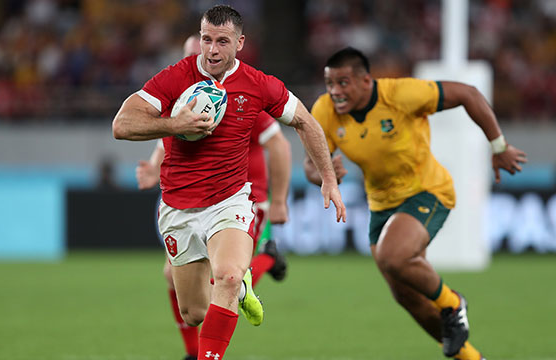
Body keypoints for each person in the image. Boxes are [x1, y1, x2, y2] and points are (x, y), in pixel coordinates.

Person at [114, 5, 345, 359]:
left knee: (228, 276)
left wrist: (328, 178)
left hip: (230, 201)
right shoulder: (176, 78)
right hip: (178, 206)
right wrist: (176, 125)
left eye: (222, 41)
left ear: (240, 43)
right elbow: (122, 125)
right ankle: (240, 288)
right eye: (207, 39)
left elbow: (305, 122)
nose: (212, 50)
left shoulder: (257, 84)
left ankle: (233, 295)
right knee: (194, 313)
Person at [304, 47, 527, 360]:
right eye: (330, 84)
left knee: (394, 256)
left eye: (343, 83)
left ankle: (453, 303)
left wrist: (498, 145)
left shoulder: (401, 94)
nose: (335, 92)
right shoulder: (325, 110)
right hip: (382, 206)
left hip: (426, 190)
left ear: (366, 81)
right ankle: (473, 359)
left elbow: (469, 94)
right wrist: (325, 175)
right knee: (408, 297)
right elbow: (311, 164)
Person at [136, 34, 292, 360]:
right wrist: (153, 167)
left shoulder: (240, 96)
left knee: (228, 277)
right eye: (197, 51)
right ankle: (259, 269)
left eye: (215, 46)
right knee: (186, 291)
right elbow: (167, 140)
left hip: (242, 195)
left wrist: (278, 201)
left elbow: (278, 143)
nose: (208, 55)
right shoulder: (177, 96)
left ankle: (198, 352)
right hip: (191, 199)